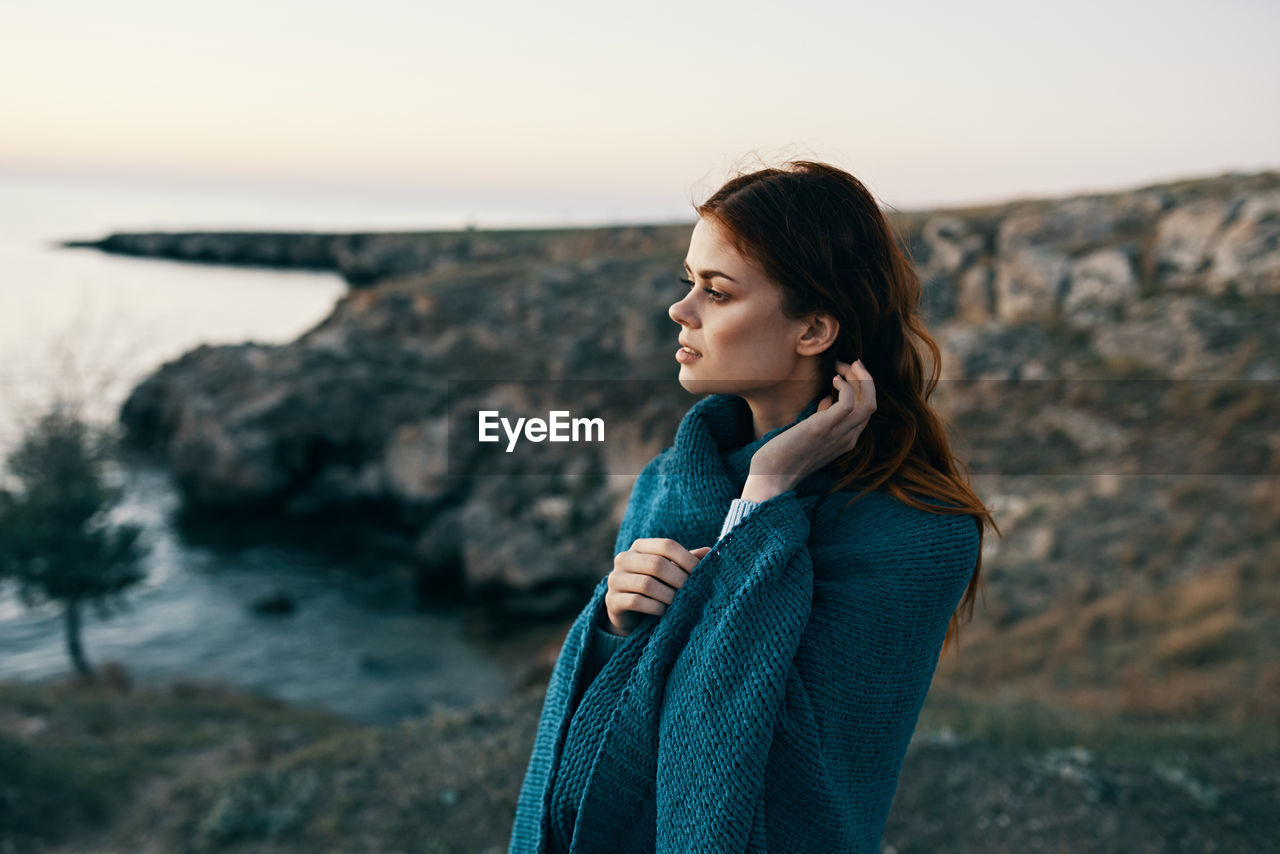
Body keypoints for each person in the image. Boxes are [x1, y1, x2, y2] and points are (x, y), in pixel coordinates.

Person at [508, 159, 998, 853]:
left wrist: (768, 492)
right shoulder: (669, 482)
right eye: (689, 283)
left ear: (813, 330)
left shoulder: (918, 534)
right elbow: (619, 712)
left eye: (718, 291)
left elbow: (747, 756)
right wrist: (614, 622)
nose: (681, 311)